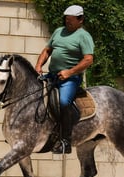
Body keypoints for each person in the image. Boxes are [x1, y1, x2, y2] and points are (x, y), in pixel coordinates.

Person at [35, 5, 95, 154]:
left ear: (80, 20)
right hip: (52, 74)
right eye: (66, 20)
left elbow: (88, 60)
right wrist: (38, 65)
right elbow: (47, 50)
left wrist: (70, 72)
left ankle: (65, 142)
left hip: (70, 78)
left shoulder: (84, 36)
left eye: (71, 20)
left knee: (63, 102)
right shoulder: (58, 31)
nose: (67, 22)